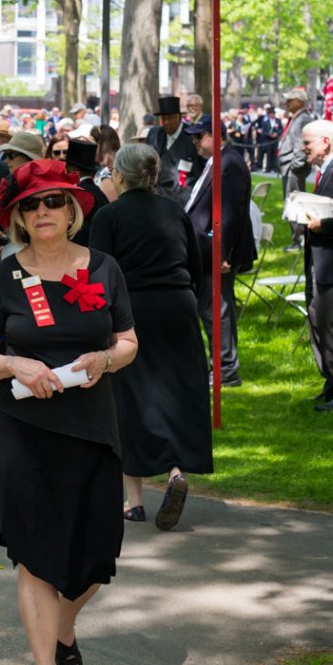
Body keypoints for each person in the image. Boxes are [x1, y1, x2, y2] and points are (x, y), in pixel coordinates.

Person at [0, 158, 137, 665]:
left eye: (54, 202)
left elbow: (129, 341)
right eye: (32, 205)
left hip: (92, 425)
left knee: (97, 554)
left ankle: (64, 625)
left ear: (72, 211)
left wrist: (106, 359)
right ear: (19, 217)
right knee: (36, 555)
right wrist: (14, 361)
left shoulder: (105, 268)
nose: (44, 212)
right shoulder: (2, 277)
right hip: (25, 432)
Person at [89, 144, 213, 528]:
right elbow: (196, 263)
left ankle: (134, 500)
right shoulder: (174, 209)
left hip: (132, 310)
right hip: (177, 306)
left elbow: (99, 273)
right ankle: (176, 472)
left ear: (119, 176)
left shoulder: (109, 216)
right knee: (176, 392)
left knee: (131, 397)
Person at [184, 114, 256, 388]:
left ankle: (226, 369)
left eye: (199, 136)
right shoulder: (216, 162)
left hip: (216, 252)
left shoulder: (230, 164)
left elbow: (229, 213)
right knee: (211, 309)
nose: (194, 142)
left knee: (217, 310)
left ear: (216, 136)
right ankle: (221, 365)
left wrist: (222, 252)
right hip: (205, 250)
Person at [301, 121, 333, 412]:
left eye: (307, 143)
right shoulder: (326, 169)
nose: (303, 147)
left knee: (329, 325)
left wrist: (324, 225)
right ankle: (332, 382)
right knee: (317, 322)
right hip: (319, 257)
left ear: (326, 143)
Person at [278, 87, 316, 250]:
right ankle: (298, 238)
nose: (286, 102)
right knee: (292, 202)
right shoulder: (298, 117)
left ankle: (299, 239)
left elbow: (302, 146)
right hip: (290, 167)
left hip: (293, 168)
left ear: (299, 102)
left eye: (290, 100)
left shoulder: (302, 119)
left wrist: (295, 166)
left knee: (295, 203)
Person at [146, 95, 200, 200]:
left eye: (170, 118)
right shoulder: (154, 135)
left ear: (179, 117)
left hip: (181, 198)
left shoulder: (192, 137)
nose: (166, 122)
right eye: (163, 118)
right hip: (156, 197)